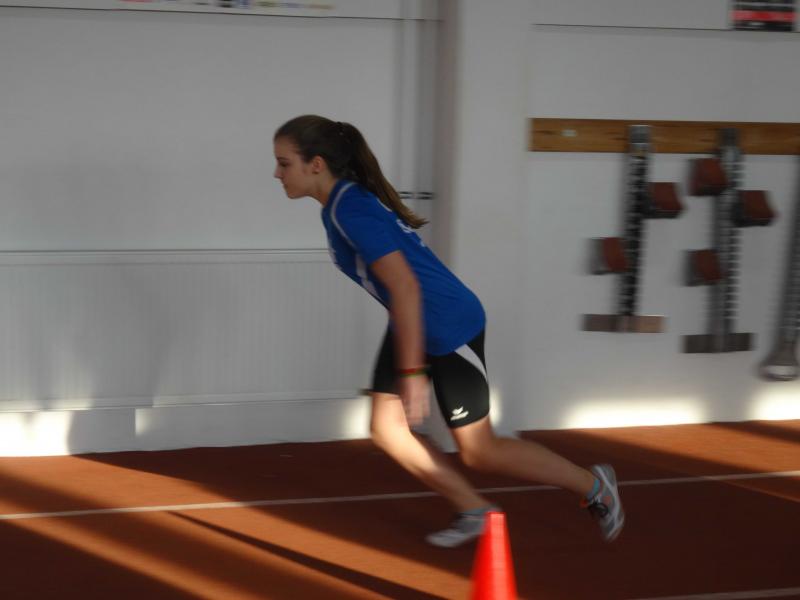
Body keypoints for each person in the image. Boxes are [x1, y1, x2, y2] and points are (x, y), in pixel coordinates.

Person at [273, 114, 625, 547]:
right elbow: (401, 290)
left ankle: (595, 486)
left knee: (480, 450)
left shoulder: (350, 209)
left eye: (284, 163)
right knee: (387, 428)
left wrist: (411, 373)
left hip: (446, 323)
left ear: (316, 164)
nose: (277, 174)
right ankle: (475, 510)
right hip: (412, 318)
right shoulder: (340, 205)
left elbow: (405, 285)